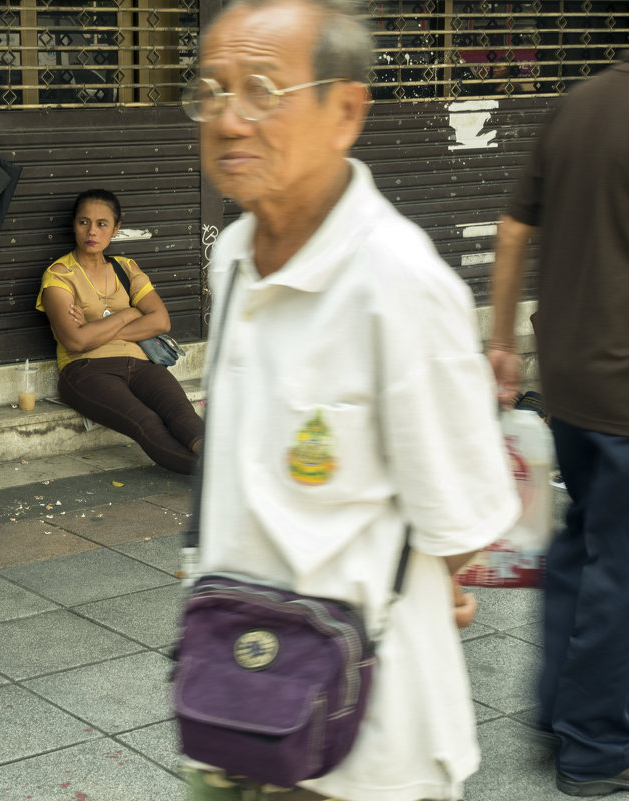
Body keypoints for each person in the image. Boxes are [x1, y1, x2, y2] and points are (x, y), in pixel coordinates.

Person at [183, 2, 519, 800]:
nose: (230, 118)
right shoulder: (233, 255)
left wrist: (418, 582)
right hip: (230, 706)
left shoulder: (398, 285)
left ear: (345, 110)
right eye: (212, 88)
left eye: (264, 89)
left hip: (365, 745)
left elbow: (468, 519)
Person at [488, 50, 629, 798]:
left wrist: (502, 342)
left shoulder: (581, 102)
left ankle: (556, 705)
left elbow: (513, 229)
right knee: (621, 567)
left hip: (569, 373)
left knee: (581, 543)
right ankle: (597, 746)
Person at [36, 189, 203, 474]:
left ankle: (223, 466)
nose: (92, 231)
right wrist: (128, 313)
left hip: (141, 364)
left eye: (102, 224)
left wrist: (95, 331)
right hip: (86, 370)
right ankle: (217, 477)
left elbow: (161, 321)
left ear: (116, 228)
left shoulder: (126, 268)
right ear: (73, 225)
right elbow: (76, 341)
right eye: (83, 222)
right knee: (146, 422)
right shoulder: (59, 275)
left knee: (182, 414)